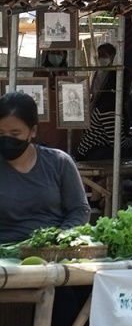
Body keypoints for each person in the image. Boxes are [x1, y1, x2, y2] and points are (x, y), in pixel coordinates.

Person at [0, 91, 90, 242]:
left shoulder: (59, 162)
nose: (7, 139)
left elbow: (80, 209)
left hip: (52, 253)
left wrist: (60, 238)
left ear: (33, 131)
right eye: (1, 133)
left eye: (15, 133)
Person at [75, 74, 132, 161]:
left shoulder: (111, 104)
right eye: (130, 83)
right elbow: (118, 143)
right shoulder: (109, 109)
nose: (131, 86)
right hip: (91, 154)